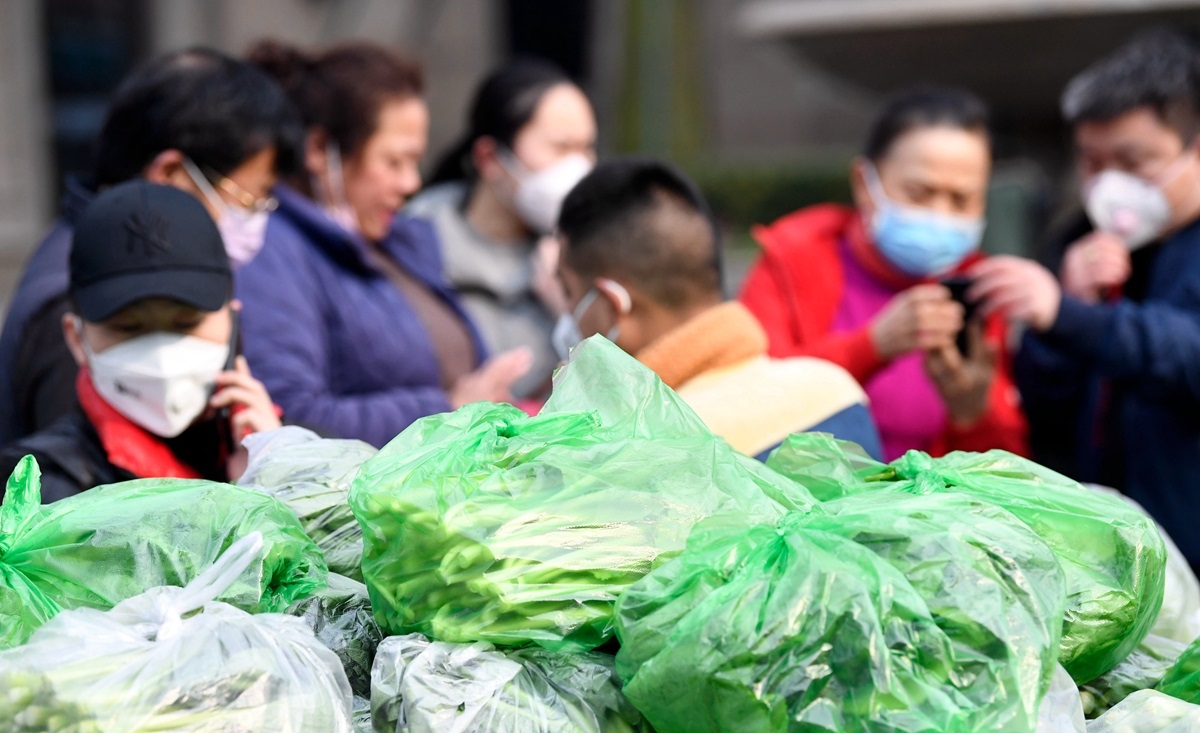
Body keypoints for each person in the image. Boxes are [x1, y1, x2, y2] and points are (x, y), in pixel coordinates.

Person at [975, 31, 1200, 568]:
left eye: (1133, 160)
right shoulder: (1078, 241)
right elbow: (1042, 408)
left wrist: (1070, 316)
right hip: (1111, 559)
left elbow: (1185, 354)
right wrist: (1062, 321)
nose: (1108, 184)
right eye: (1092, 162)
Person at [0, 47, 299, 450]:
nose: (257, 217)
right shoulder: (79, 300)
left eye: (186, 323)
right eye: (250, 198)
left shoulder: (81, 258)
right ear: (172, 176)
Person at [242, 40, 531, 448]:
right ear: (320, 150)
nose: (411, 183)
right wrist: (448, 409)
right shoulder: (273, 251)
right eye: (394, 162)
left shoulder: (391, 239)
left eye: (415, 162)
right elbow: (289, 412)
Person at [738, 86, 1027, 460]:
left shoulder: (976, 290)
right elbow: (750, 405)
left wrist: (972, 415)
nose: (940, 214)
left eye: (962, 199)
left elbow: (1009, 467)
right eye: (919, 193)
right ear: (864, 183)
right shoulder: (792, 260)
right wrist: (871, 346)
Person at [554, 158, 881, 460]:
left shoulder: (642, 448)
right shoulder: (834, 389)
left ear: (613, 305)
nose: (566, 311)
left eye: (568, 292)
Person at [0, 182, 282, 502]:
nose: (162, 355)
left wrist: (287, 479)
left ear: (232, 319)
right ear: (76, 338)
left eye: (186, 323)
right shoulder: (40, 494)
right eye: (128, 327)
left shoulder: (296, 451)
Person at [407, 59, 597, 400]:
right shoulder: (409, 249)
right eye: (561, 148)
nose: (580, 167)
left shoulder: (590, 253)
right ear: (489, 158)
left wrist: (572, 308)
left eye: (587, 148)